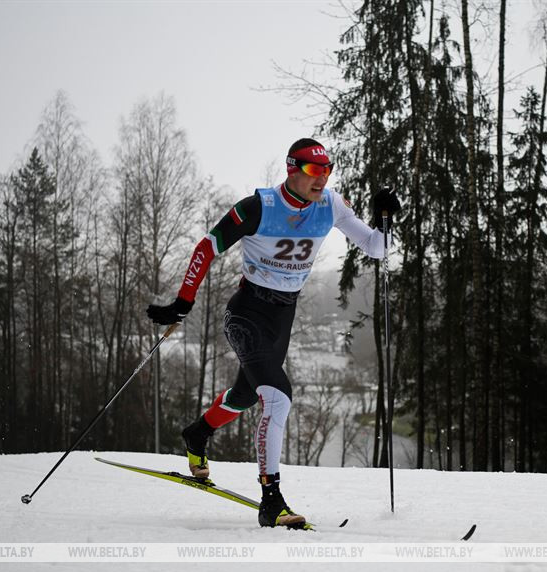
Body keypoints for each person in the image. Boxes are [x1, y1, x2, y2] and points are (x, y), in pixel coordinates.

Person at [146, 138, 401, 528]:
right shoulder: (258, 207)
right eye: (315, 171)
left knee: (246, 395)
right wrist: (182, 302)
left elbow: (376, 248)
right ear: (292, 169)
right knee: (278, 398)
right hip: (246, 313)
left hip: (282, 318)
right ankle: (271, 499)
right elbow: (207, 247)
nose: (322, 179)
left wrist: (385, 219)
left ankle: (196, 434)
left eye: (327, 170)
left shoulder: (330, 205)